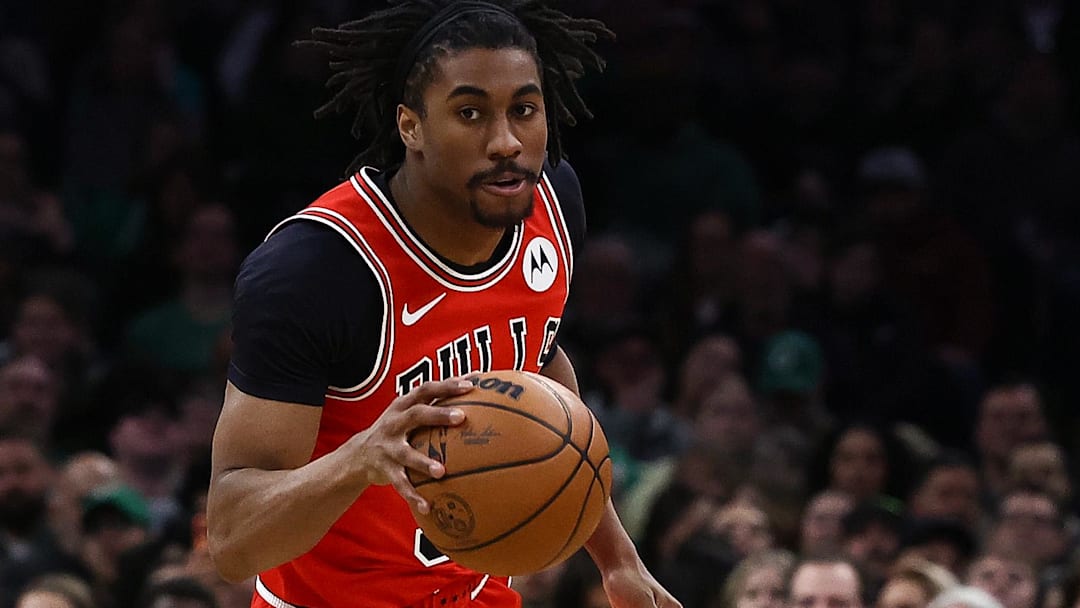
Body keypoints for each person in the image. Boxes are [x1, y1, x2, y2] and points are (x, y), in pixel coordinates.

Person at [205, 2, 680, 608]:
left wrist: (618, 559)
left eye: (524, 111)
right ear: (411, 127)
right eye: (470, 113)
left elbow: (539, 364)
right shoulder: (320, 271)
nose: (506, 142)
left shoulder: (552, 203)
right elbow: (231, 540)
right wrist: (361, 458)